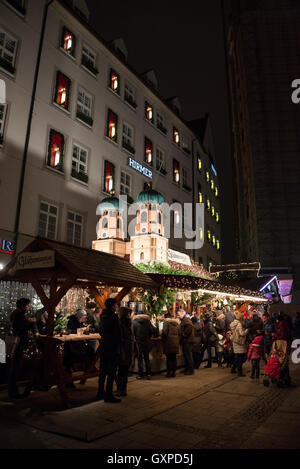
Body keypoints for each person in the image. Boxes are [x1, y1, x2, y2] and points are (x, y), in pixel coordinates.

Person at [8, 298, 39, 399]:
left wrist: (30, 321)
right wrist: (32, 322)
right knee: (15, 367)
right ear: (23, 305)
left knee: (14, 367)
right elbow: (24, 326)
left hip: (15, 342)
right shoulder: (18, 315)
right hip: (18, 343)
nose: (28, 307)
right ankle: (13, 393)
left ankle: (13, 392)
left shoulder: (16, 314)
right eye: (27, 305)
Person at [97, 298, 121, 403]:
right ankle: (109, 395)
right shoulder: (113, 316)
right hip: (112, 346)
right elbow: (117, 332)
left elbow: (101, 330)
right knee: (111, 371)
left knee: (102, 370)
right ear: (112, 305)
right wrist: (118, 343)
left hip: (104, 345)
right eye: (116, 305)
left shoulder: (102, 316)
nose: (116, 306)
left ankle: (100, 392)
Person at [64, 309, 95, 385]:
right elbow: (71, 331)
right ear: (78, 317)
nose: (84, 320)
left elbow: (90, 329)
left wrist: (88, 329)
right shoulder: (71, 322)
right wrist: (83, 330)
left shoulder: (81, 322)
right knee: (68, 362)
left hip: (79, 345)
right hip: (71, 347)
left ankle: (86, 374)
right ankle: (69, 382)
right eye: (83, 318)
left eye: (85, 318)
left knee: (91, 351)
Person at [115, 307, 134, 397]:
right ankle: (121, 389)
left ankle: (121, 389)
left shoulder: (126, 324)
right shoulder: (122, 324)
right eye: (128, 314)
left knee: (123, 371)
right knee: (123, 371)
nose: (130, 316)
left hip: (125, 350)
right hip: (123, 350)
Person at [132, 311, 156, 379]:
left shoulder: (134, 322)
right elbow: (153, 330)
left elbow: (132, 332)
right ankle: (149, 374)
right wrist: (149, 336)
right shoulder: (148, 322)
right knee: (146, 358)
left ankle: (140, 374)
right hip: (147, 342)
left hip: (138, 343)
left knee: (139, 358)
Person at [161, 313, 180, 377]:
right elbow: (179, 333)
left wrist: (163, 339)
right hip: (175, 343)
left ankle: (169, 372)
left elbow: (164, 333)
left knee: (169, 358)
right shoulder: (177, 324)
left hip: (168, 342)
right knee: (174, 358)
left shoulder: (166, 323)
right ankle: (174, 373)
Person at [230, 311, 249, 377]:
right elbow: (242, 333)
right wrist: (246, 331)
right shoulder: (239, 324)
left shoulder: (233, 323)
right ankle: (239, 372)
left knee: (238, 357)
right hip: (240, 342)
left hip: (235, 341)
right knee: (241, 357)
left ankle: (233, 369)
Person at [177, 309, 194, 375]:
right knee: (186, 355)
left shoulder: (186, 319)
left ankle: (190, 370)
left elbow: (190, 326)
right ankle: (187, 368)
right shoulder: (184, 320)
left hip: (188, 341)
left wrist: (184, 334)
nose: (178, 316)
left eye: (179, 315)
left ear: (182, 313)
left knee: (188, 355)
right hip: (185, 341)